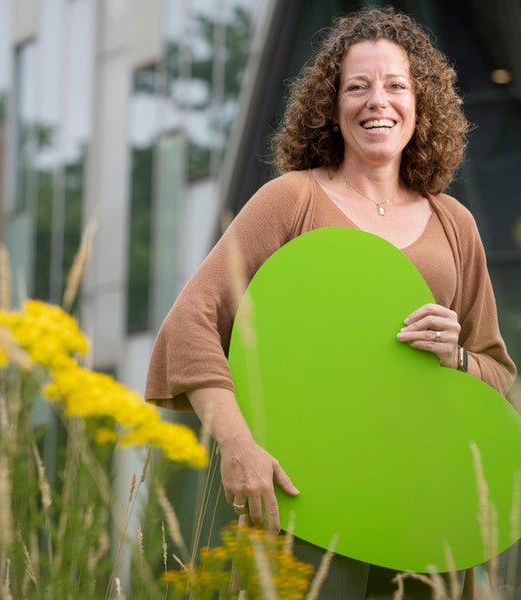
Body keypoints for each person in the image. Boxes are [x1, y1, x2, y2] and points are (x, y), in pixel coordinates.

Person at [145, 6, 517, 598]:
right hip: (305, 497)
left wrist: (461, 359)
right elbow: (191, 322)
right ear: (331, 104)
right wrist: (237, 444)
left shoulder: (456, 224)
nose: (378, 101)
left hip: (425, 504)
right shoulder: (291, 200)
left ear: (421, 104)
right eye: (357, 87)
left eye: (397, 86)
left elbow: (499, 374)